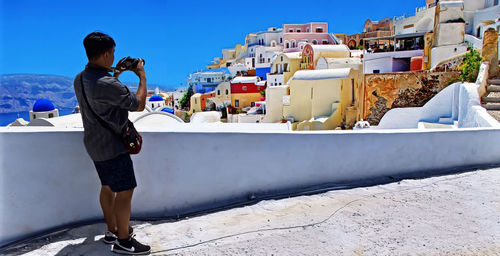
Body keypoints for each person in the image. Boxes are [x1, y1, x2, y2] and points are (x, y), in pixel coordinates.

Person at [73, 32, 150, 255]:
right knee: (125, 190)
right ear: (106, 53)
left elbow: (104, 96)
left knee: (107, 187)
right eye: (113, 53)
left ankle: (112, 231)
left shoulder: (79, 78)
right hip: (113, 146)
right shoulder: (107, 83)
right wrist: (142, 75)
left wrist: (115, 74)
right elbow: (138, 105)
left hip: (94, 145)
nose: (114, 56)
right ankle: (124, 242)